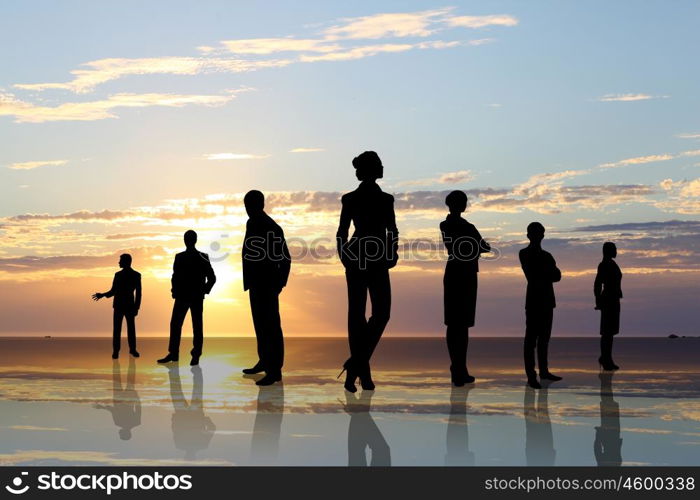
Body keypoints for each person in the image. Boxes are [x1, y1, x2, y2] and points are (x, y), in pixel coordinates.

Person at [336, 151, 398, 393]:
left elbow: (392, 230)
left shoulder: (386, 199)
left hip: (378, 258)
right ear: (372, 169)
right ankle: (362, 372)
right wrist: (345, 258)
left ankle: (355, 365)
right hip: (359, 256)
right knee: (357, 315)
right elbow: (341, 232)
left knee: (381, 313)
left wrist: (392, 253)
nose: (383, 167)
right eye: (380, 164)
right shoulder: (349, 199)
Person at [241, 190, 291, 386]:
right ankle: (264, 361)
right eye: (246, 206)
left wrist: (279, 283)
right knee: (260, 325)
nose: (247, 210)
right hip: (255, 283)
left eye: (250, 205)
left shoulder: (271, 227)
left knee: (271, 326)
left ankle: (275, 370)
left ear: (259, 205)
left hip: (268, 284)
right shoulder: (251, 223)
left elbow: (285, 258)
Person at [440, 191, 490, 386]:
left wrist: (472, 247)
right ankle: (457, 368)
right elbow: (470, 247)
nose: (465, 204)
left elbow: (484, 247)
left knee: (463, 324)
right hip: (458, 273)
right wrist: (473, 246)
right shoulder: (451, 224)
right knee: (455, 323)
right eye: (462, 202)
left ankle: (461, 368)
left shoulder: (467, 226)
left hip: (467, 273)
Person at [158, 230, 216, 366]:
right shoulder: (185, 257)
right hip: (186, 296)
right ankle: (177, 354)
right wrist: (175, 290)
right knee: (185, 325)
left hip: (190, 296)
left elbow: (212, 278)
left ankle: (188, 354)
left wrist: (204, 291)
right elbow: (175, 276)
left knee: (192, 325)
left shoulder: (196, 257)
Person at [519, 222, 562, 389]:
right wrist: (547, 272)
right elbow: (533, 274)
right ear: (529, 235)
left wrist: (546, 272)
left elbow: (557, 276)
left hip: (547, 301)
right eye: (535, 233)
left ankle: (543, 371)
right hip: (534, 301)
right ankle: (531, 376)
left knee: (544, 339)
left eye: (540, 233)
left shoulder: (547, 256)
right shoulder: (524, 253)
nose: (538, 236)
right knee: (531, 340)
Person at [92, 253, 141, 359]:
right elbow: (113, 291)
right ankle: (117, 351)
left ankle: (131, 349)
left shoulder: (135, 275)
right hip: (120, 305)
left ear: (126, 261)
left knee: (128, 329)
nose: (118, 262)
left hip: (127, 306)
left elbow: (138, 293)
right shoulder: (119, 275)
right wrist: (103, 295)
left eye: (120, 260)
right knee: (120, 329)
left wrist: (136, 307)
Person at [93, 358, 141, 441]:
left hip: (129, 399)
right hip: (119, 400)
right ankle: (115, 360)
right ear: (124, 433)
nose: (119, 433)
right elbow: (113, 410)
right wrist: (102, 407)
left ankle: (131, 360)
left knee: (130, 378)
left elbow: (138, 407)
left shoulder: (136, 423)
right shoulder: (118, 423)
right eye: (120, 434)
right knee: (117, 378)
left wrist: (136, 397)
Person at [594, 242, 622, 371]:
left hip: (614, 299)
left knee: (610, 332)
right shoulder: (604, 265)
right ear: (609, 251)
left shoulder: (611, 263)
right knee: (607, 332)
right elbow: (597, 284)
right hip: (608, 299)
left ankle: (607, 358)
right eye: (614, 249)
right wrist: (598, 301)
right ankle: (605, 359)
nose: (616, 251)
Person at [594, 372, 622, 466]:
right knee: (609, 402)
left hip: (608, 434)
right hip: (613, 434)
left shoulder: (604, 465)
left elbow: (597, 450)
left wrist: (598, 435)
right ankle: (606, 379)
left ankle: (605, 380)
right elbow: (597, 451)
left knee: (607, 402)